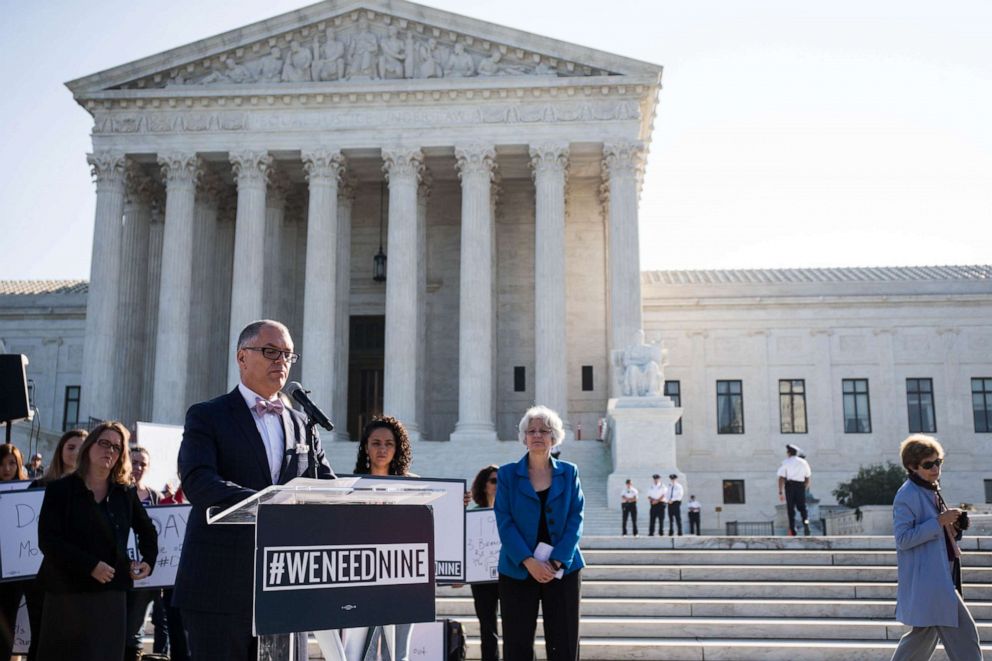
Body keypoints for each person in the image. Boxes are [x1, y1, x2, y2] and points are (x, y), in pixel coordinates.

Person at [173, 319, 336, 661]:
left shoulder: (302, 423)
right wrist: (268, 505)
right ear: (242, 357)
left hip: (285, 589)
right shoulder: (207, 415)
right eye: (270, 351)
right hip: (219, 586)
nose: (281, 361)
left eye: (288, 355)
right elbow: (198, 480)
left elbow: (325, 486)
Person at [35, 422, 158, 661]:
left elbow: (147, 531)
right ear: (89, 447)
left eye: (116, 447)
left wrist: (148, 560)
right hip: (66, 594)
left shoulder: (125, 493)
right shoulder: (60, 490)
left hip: (110, 597)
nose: (110, 450)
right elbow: (48, 540)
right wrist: (90, 565)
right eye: (104, 443)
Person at [495, 405, 584, 661]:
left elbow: (575, 517)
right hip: (518, 568)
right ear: (523, 437)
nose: (536, 435)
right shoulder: (507, 474)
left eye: (544, 430)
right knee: (517, 643)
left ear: (554, 437)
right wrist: (529, 561)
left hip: (563, 569)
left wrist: (556, 561)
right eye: (531, 430)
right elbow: (504, 520)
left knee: (564, 643)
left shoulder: (569, 472)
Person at [890, 434, 982, 661]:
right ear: (912, 467)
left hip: (940, 575)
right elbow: (903, 539)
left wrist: (955, 525)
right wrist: (939, 521)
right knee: (966, 635)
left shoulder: (930, 489)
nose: (935, 468)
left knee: (923, 637)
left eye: (937, 462)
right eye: (928, 464)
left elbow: (938, 535)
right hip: (930, 580)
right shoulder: (907, 495)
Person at [342, 416, 416, 661]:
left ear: (398, 448)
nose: (382, 449)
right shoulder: (351, 487)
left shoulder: (415, 487)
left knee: (398, 654)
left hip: (402, 580)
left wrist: (456, 504)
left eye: (389, 444)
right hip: (361, 579)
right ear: (366, 447)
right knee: (358, 653)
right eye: (376, 443)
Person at [24, 429, 87, 661]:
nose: (76, 453)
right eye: (71, 447)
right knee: (41, 637)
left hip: (78, 578)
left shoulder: (95, 490)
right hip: (38, 575)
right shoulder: (39, 485)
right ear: (60, 450)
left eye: (82, 447)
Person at [123, 447, 163, 661]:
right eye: (134, 462)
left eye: (143, 464)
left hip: (145, 577)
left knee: (136, 626)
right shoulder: (118, 493)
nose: (138, 467)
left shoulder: (155, 496)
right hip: (121, 570)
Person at [468, 465, 500, 661]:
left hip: (510, 575)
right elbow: (467, 546)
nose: (498, 485)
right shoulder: (472, 514)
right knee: (487, 627)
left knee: (518, 625)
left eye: (502, 482)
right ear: (484, 485)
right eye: (494, 481)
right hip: (481, 578)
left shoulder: (512, 512)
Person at [0, 443, 28, 661]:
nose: (7, 469)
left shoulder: (28, 493)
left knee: (8, 623)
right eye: (1, 464)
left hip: (13, 573)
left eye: (12, 463)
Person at [777, 444, 811, 536]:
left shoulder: (786, 462)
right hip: (800, 486)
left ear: (789, 453)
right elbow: (807, 477)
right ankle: (806, 521)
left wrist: (780, 492)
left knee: (791, 508)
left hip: (790, 486)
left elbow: (781, 478)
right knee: (802, 507)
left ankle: (792, 530)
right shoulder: (803, 462)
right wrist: (804, 488)